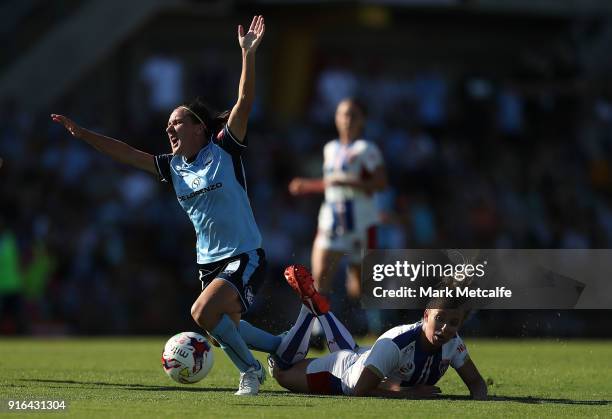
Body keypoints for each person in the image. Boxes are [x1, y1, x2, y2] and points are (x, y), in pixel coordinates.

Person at [51, 15, 271, 396]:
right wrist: (83, 134)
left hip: (244, 254)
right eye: (167, 125)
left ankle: (250, 372)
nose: (169, 129)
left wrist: (248, 55)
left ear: (200, 128)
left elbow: (244, 101)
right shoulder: (172, 168)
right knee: (225, 333)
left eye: (177, 123)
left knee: (202, 313)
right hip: (207, 263)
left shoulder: (224, 149)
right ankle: (287, 345)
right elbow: (126, 153)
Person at [270, 265, 488, 400]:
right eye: (439, 319)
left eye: (453, 323)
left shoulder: (453, 342)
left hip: (362, 357)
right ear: (426, 315)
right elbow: (360, 391)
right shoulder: (397, 343)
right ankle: (309, 308)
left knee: (353, 352)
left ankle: (317, 307)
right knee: (282, 374)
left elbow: (477, 384)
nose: (444, 328)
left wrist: (479, 401)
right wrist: (410, 394)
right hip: (342, 375)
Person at [288, 98, 387, 301]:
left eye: (352, 115)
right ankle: (317, 326)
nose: (347, 119)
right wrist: (307, 186)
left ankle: (369, 323)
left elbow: (380, 183)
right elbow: (332, 183)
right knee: (320, 272)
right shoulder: (330, 148)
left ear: (362, 120)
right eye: (342, 114)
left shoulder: (367, 149)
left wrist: (349, 182)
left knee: (359, 288)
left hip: (360, 220)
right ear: (336, 118)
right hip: (332, 216)